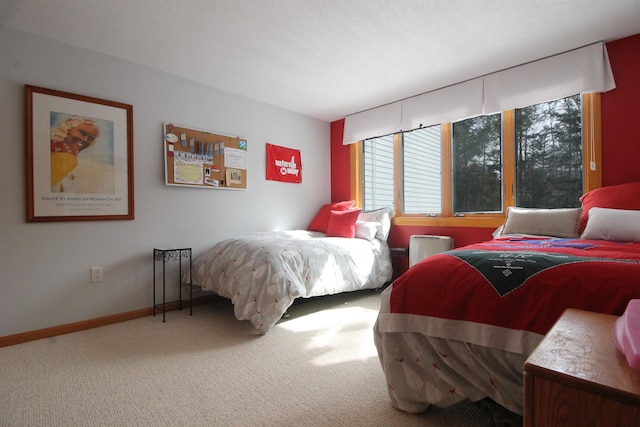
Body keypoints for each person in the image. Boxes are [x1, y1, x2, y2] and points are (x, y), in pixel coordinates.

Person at [50, 116, 100, 192]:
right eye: (82, 133)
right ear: (68, 129)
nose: (85, 140)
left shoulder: (52, 145)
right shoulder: (68, 157)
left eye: (90, 138)